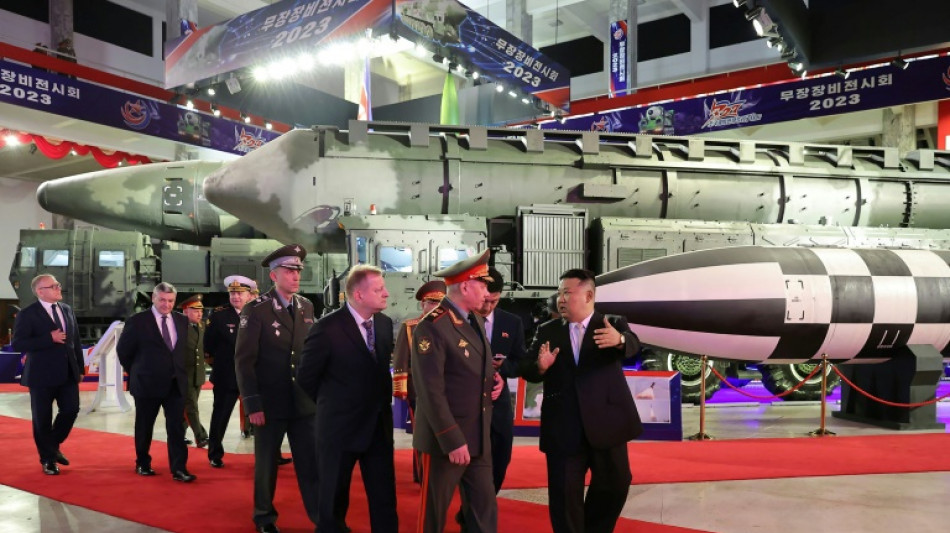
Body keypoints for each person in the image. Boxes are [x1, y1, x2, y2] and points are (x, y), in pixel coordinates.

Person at [520, 268, 643, 533]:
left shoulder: (611, 323)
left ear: (588, 296)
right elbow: (527, 367)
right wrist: (540, 366)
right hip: (564, 427)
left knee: (615, 485)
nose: (561, 299)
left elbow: (634, 346)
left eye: (567, 293)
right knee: (564, 498)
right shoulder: (547, 330)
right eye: (559, 293)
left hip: (606, 425)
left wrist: (620, 340)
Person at [297, 265, 399, 533]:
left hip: (378, 428)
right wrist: (335, 406)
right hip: (338, 430)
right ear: (359, 294)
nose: (386, 294)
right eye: (379, 289)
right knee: (333, 500)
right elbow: (306, 378)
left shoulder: (384, 324)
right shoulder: (326, 328)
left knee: (385, 498)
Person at [411, 249, 504, 533]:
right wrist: (451, 439)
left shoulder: (474, 320)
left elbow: (471, 367)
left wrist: (494, 380)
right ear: (465, 287)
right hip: (446, 442)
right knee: (433, 517)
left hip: (477, 437)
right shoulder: (433, 326)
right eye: (482, 285)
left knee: (484, 513)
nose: (487, 293)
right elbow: (430, 390)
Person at [235, 244, 318, 533]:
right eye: (289, 271)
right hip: (269, 403)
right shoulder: (256, 310)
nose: (295, 276)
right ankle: (264, 517)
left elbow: (309, 354)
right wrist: (252, 404)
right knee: (267, 465)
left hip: (302, 402)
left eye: (298, 271)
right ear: (274, 275)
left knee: (311, 463)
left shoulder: (306, 306)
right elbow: (244, 361)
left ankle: (321, 517)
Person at [116, 282, 196, 483]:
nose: (166, 304)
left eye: (170, 301)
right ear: (153, 298)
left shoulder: (182, 320)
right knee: (145, 426)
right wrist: (138, 371)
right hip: (146, 384)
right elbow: (123, 351)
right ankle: (142, 463)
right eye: (162, 300)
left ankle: (179, 468)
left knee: (177, 428)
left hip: (175, 385)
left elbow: (183, 352)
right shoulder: (137, 321)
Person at [11, 274, 84, 475]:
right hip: (41, 375)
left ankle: (51, 445)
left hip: (68, 372)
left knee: (71, 410)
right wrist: (48, 338)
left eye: (58, 285)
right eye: (53, 286)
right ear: (40, 291)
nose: (58, 288)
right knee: (42, 418)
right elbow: (18, 344)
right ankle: (48, 459)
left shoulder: (66, 309)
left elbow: (75, 341)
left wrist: (80, 368)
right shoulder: (27, 314)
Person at [477, 267, 526, 493]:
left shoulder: (512, 322)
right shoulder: (459, 322)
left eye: (494, 302)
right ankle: (474, 508)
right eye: (484, 301)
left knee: (501, 455)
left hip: (499, 403)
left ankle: (488, 499)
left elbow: (520, 361)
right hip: (468, 404)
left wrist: (502, 368)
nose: (487, 307)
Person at [392, 279, 445, 483]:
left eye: (439, 302)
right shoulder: (410, 327)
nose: (435, 307)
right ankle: (423, 473)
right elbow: (400, 359)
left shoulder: (450, 326)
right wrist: (401, 389)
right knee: (422, 433)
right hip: (418, 391)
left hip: (446, 390)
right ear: (422, 304)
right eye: (431, 302)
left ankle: (442, 475)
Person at [205, 275, 256, 468]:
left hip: (253, 376)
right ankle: (215, 453)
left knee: (262, 416)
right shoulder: (219, 316)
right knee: (220, 416)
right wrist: (219, 365)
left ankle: (270, 454)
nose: (235, 296)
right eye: (232, 293)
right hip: (227, 375)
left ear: (249, 295)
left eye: (240, 293)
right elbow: (208, 345)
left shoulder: (257, 314)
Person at [179, 294, 208, 448]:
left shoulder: (201, 326)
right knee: (191, 407)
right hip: (185, 374)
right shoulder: (179, 328)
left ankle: (179, 434)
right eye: (195, 310)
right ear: (185, 311)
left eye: (201, 311)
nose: (199, 314)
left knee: (189, 406)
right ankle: (201, 436)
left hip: (198, 374)